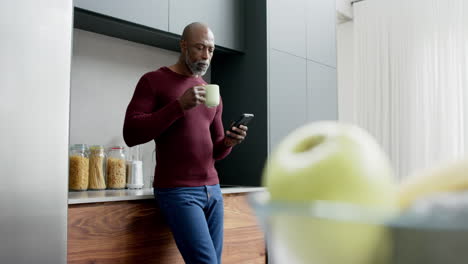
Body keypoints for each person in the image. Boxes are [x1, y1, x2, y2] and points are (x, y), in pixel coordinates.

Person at [123, 22, 248, 264]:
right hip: (178, 191)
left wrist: (230, 142)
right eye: (199, 47)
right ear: (183, 46)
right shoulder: (153, 81)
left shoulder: (211, 92)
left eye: (210, 50)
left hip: (213, 191)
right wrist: (178, 106)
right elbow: (131, 133)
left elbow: (216, 150)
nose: (206, 55)